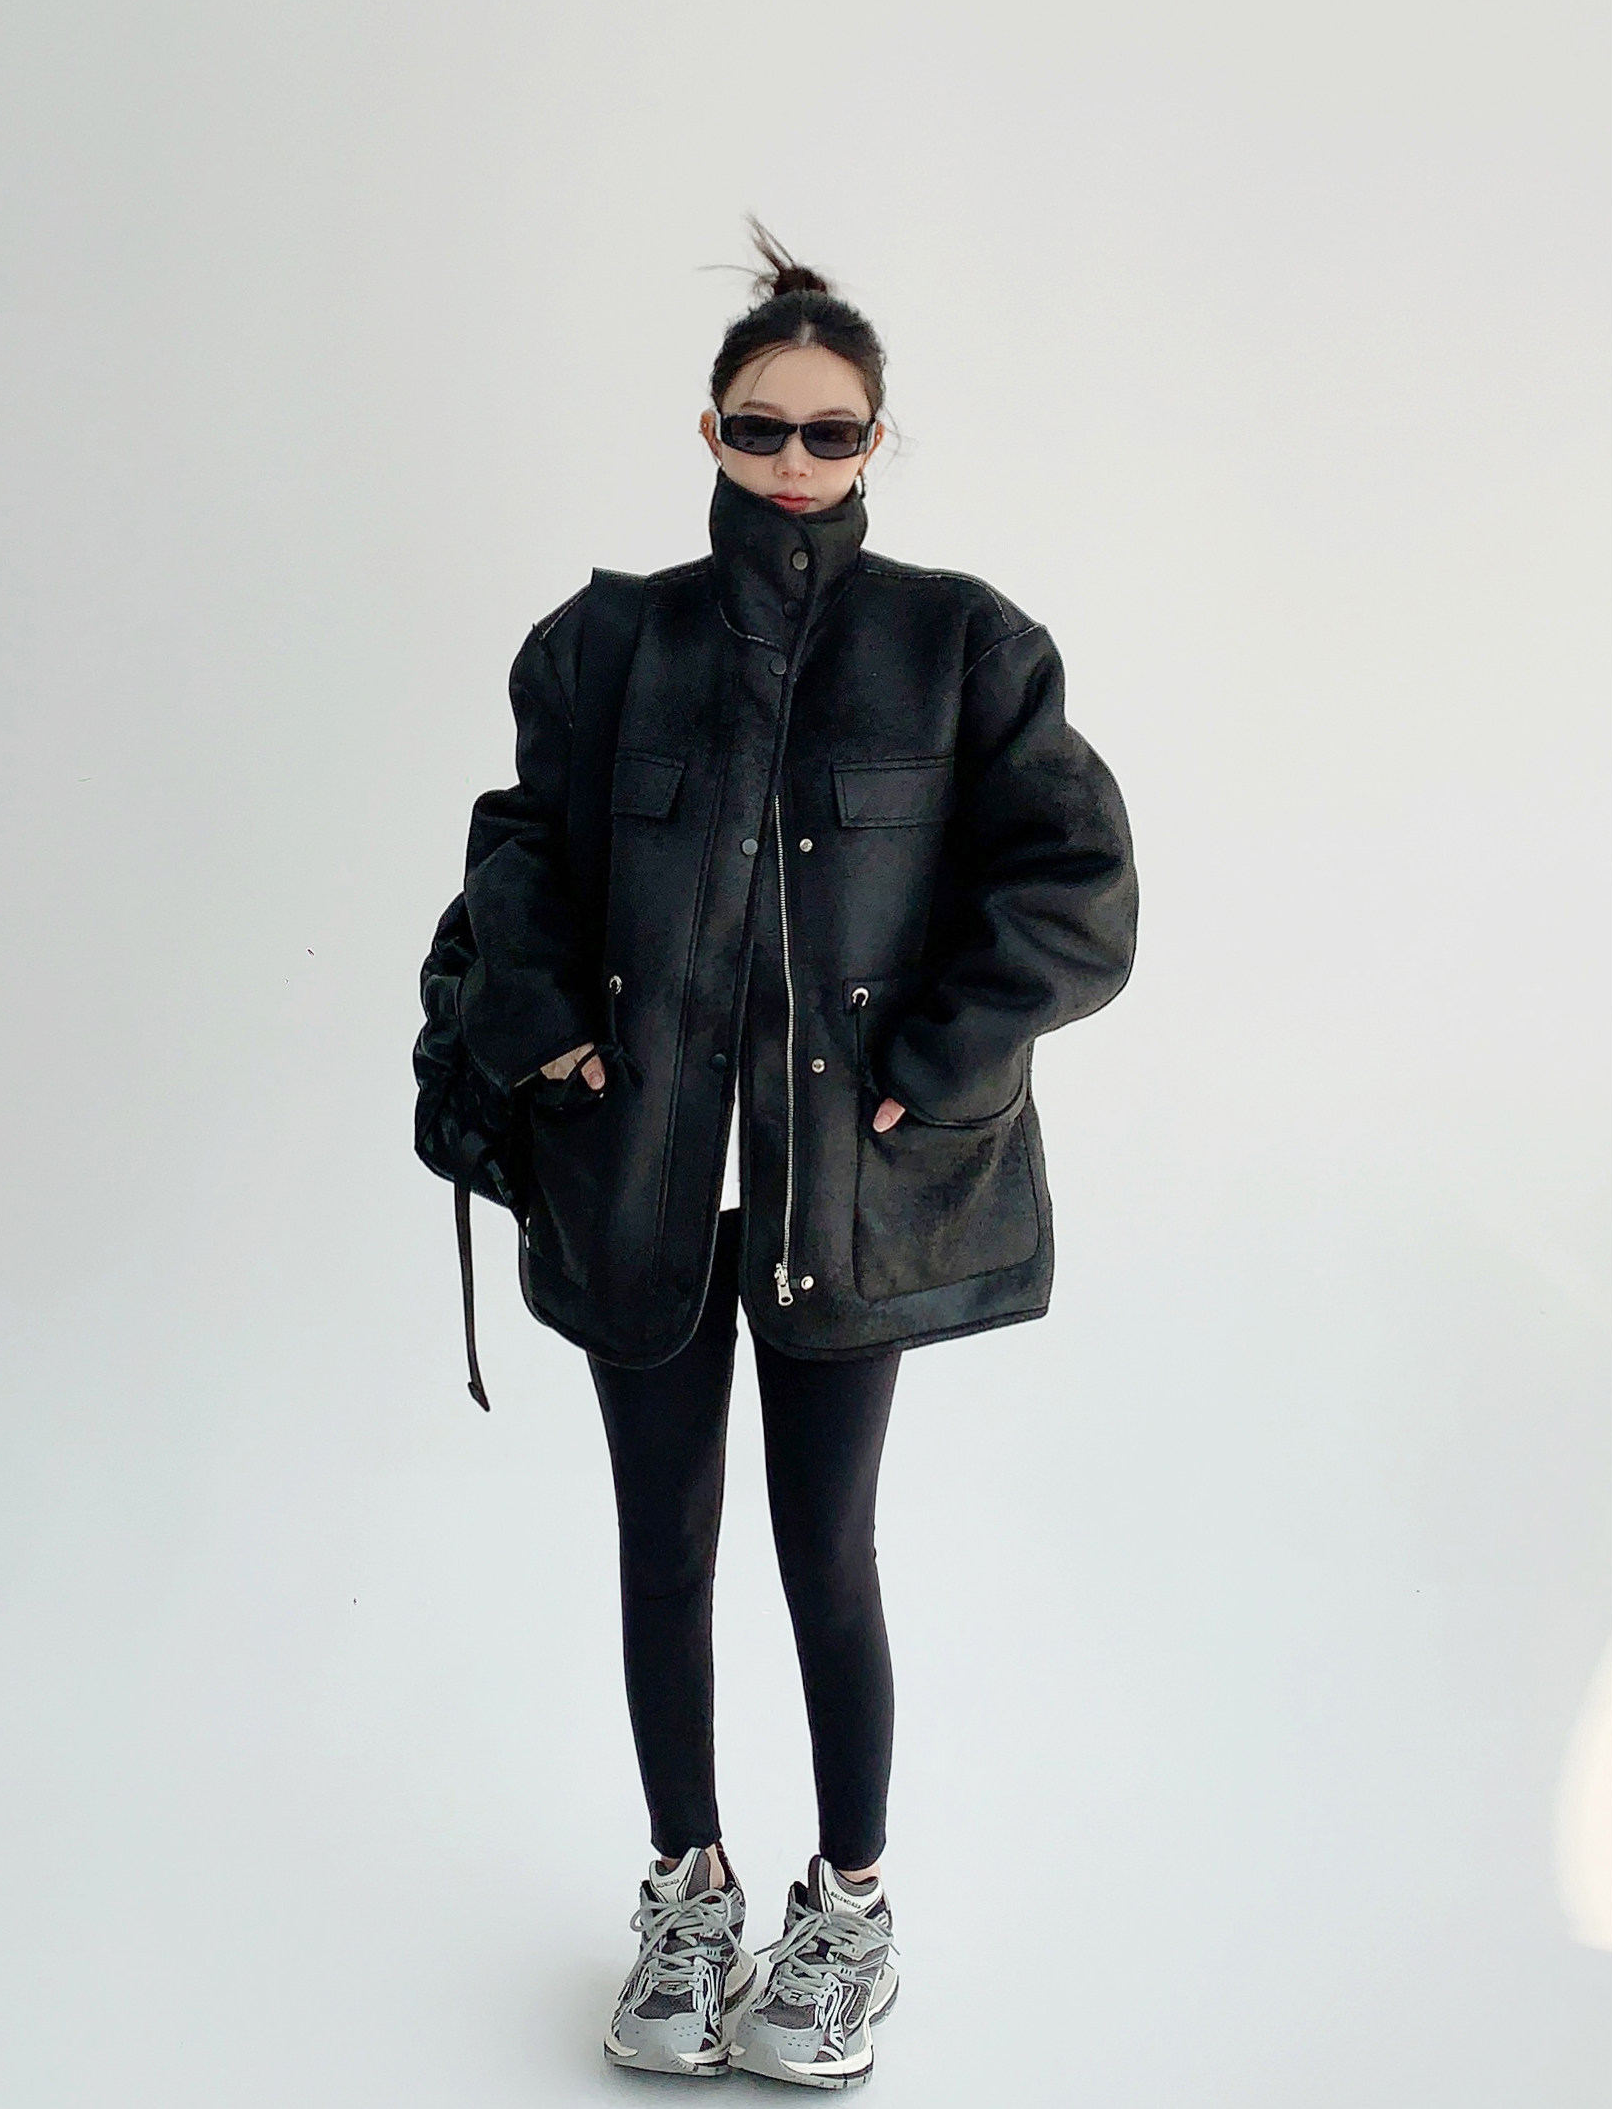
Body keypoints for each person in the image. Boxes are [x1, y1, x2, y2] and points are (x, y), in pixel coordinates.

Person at [455, 221, 1138, 2085]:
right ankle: (688, 1897)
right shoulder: (607, 646)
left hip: (850, 1196)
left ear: (878, 441)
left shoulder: (963, 646)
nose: (794, 462)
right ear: (709, 430)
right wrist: (554, 1033)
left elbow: (1077, 889)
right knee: (661, 1546)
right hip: (643, 1180)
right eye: (761, 428)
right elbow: (516, 854)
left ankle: (849, 1913)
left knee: (824, 1549)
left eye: (833, 433)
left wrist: (942, 1056)